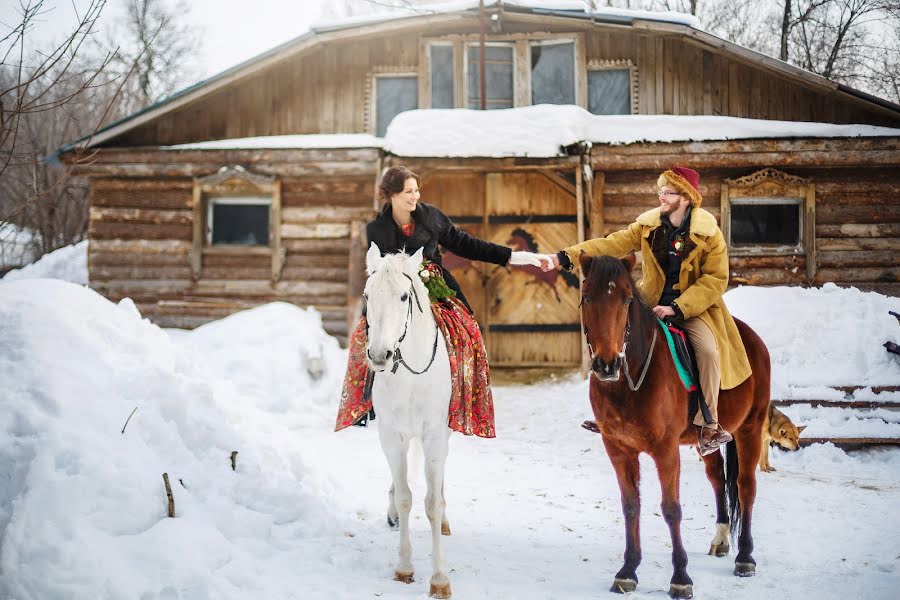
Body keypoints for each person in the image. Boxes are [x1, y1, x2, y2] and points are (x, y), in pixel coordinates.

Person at [535, 166, 752, 455]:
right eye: (660, 191)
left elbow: (715, 280)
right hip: (648, 303)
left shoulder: (709, 235)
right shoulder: (649, 226)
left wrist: (677, 307)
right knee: (612, 339)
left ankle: (707, 423)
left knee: (708, 351)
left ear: (686, 197)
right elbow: (611, 244)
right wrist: (564, 257)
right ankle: (611, 417)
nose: (661, 196)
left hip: (692, 308)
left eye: (668, 192)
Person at [335, 165, 539, 435]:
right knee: (362, 336)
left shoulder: (432, 217)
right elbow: (381, 267)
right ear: (392, 195)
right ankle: (366, 403)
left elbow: (466, 244)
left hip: (433, 285)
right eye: (408, 191)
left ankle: (463, 397)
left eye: (416, 190)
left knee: (468, 330)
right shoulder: (376, 228)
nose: (415, 196)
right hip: (394, 289)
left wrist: (510, 256)